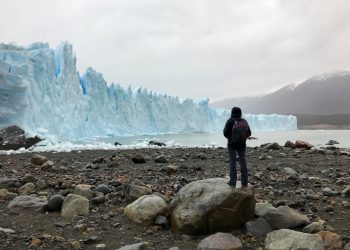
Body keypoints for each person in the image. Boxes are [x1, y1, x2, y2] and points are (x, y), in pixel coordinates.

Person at [223, 107, 251, 188]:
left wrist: (231, 137)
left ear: (232, 112)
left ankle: (233, 181)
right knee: (243, 161)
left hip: (232, 144)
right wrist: (242, 137)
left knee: (233, 161)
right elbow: (249, 132)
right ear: (240, 113)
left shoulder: (230, 121)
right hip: (242, 144)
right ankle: (245, 181)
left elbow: (225, 133)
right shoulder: (244, 121)